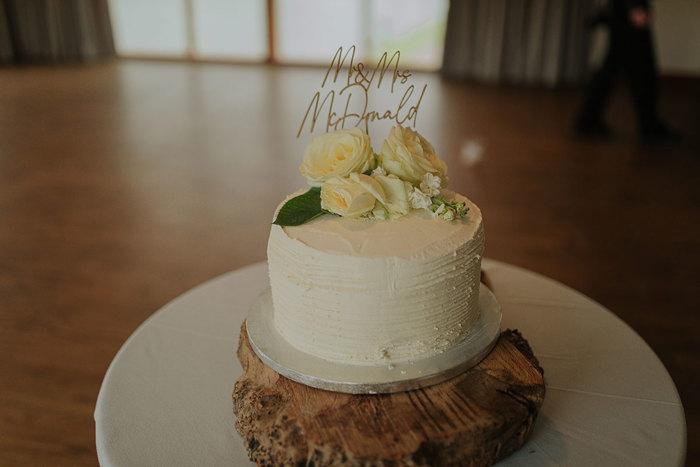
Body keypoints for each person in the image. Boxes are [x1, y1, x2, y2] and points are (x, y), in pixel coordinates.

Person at [574, 0, 679, 143]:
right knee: (642, 76)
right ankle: (649, 126)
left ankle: (588, 120)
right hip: (628, 27)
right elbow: (639, 18)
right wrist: (637, 9)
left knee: (609, 75)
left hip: (621, 23)